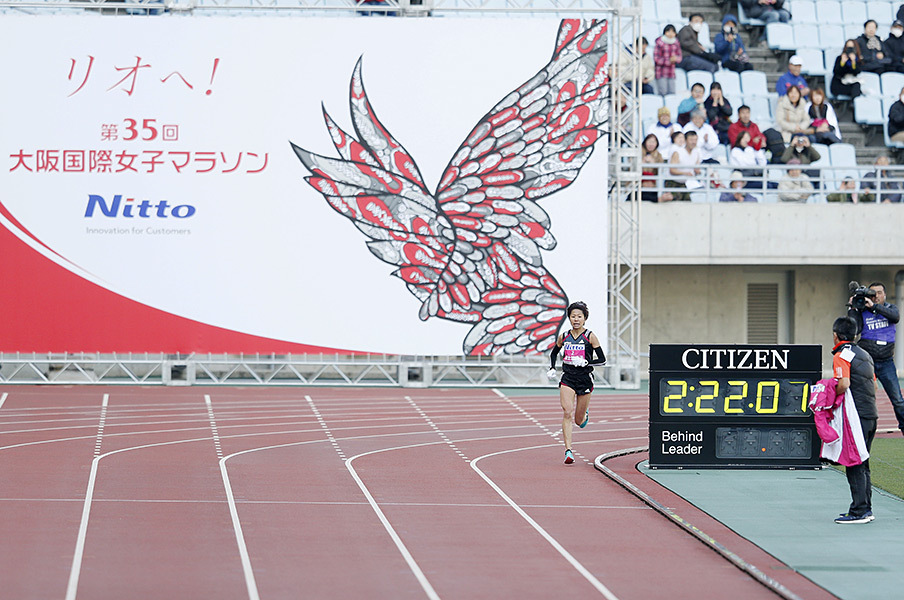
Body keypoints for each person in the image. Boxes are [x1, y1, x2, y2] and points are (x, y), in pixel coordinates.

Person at [830, 316, 878, 524]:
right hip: (871, 415)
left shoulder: (841, 355)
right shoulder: (865, 354)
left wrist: (832, 397)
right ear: (856, 335)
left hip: (856, 416)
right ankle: (864, 508)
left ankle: (859, 512)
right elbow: (874, 386)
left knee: (854, 463)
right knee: (863, 462)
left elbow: (844, 383)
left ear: (835, 335)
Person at [547, 301, 606, 464]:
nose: (576, 319)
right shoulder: (564, 336)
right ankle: (568, 451)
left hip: (585, 379)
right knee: (567, 412)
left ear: (584, 318)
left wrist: (587, 363)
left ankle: (584, 414)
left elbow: (602, 360)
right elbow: (554, 353)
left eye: (579, 316)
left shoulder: (590, 336)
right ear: (569, 318)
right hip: (568, 378)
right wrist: (552, 367)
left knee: (579, 421)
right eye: (573, 316)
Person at [848, 282, 904, 435]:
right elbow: (855, 329)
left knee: (898, 400)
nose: (876, 296)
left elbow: (895, 317)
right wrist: (853, 308)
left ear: (885, 295)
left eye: (879, 293)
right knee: (861, 398)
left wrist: (874, 307)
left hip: (886, 362)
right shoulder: (862, 311)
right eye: (873, 293)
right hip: (867, 361)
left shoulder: (890, 309)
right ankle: (857, 431)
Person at [666, 130, 701, 201]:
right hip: (672, 182)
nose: (693, 142)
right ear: (685, 140)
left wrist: (697, 172)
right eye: (691, 140)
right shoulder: (678, 152)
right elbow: (672, 170)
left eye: (695, 140)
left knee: (688, 202)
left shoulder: (696, 153)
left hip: (685, 183)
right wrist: (685, 173)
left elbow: (696, 168)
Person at [641, 134, 674, 202]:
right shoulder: (638, 153)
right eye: (649, 141)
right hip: (640, 183)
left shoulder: (658, 156)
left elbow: (660, 171)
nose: (651, 144)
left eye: (653, 142)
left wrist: (653, 163)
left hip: (653, 183)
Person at [654, 24, 683, 96]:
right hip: (661, 72)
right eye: (668, 31)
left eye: (673, 32)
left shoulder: (676, 43)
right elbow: (656, 58)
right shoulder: (659, 43)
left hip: (671, 72)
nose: (670, 34)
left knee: (672, 92)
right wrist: (668, 61)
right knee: (662, 92)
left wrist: (676, 59)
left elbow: (680, 56)